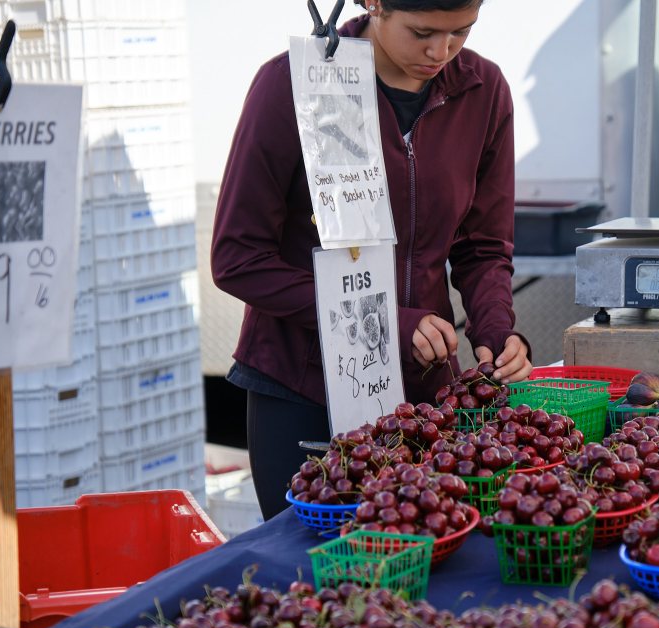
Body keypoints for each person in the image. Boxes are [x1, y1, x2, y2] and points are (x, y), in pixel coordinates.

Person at [211, 0, 532, 519]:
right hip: (301, 386)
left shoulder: (483, 90)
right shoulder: (292, 83)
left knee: (422, 555)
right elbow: (238, 258)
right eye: (422, 33)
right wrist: (384, 322)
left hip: (423, 394)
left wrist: (496, 330)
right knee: (310, 557)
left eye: (461, 32)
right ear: (373, 3)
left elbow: (483, 246)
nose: (441, 52)